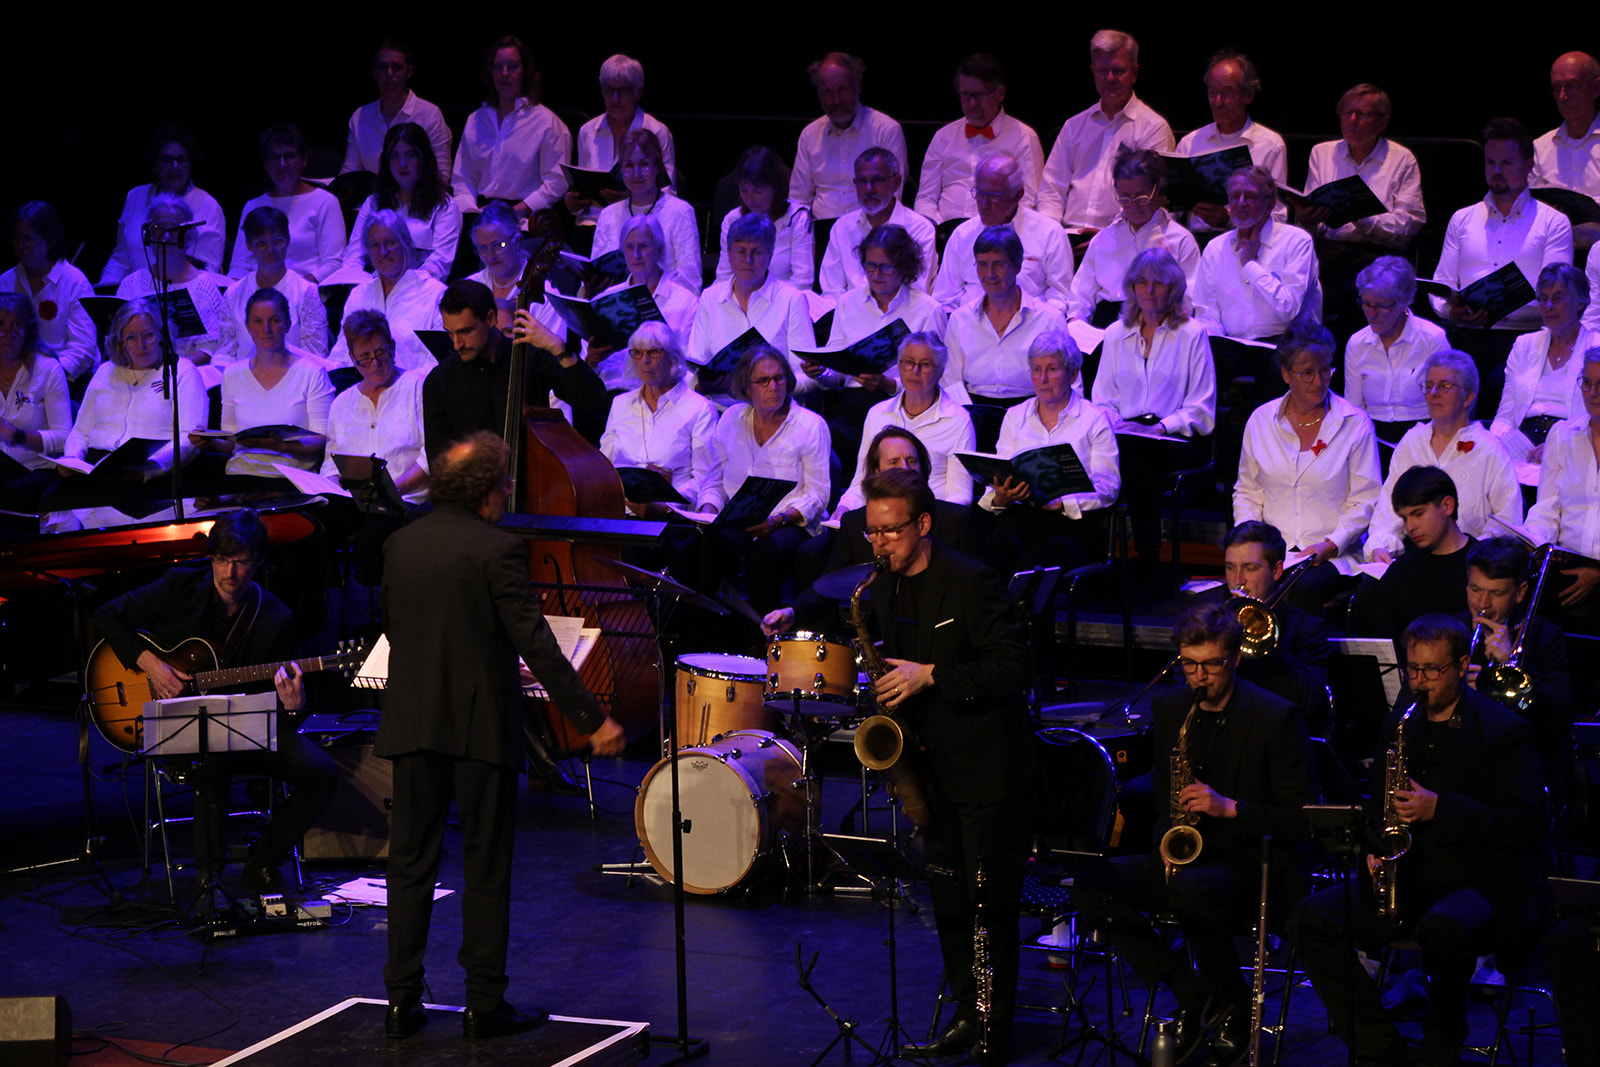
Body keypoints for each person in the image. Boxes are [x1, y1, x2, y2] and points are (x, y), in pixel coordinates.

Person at [378, 431, 625, 1041]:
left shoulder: (400, 544)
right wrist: (593, 720)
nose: (509, 490)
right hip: (479, 728)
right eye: (505, 482)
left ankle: (401, 1002)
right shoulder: (499, 549)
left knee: (409, 865)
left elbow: (407, 631)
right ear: (487, 490)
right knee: (486, 866)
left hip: (412, 721)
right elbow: (536, 645)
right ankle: (483, 1004)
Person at [811, 468, 1033, 1066]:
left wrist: (931, 675)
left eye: (891, 531)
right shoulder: (879, 587)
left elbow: (1013, 670)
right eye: (871, 531)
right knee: (949, 903)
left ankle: (993, 1030)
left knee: (988, 908)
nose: (878, 543)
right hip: (930, 768)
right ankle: (966, 1014)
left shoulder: (972, 581)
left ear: (924, 524)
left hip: (986, 767)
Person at [1290, 613, 1548, 1067]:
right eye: (1413, 669)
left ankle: (1442, 1041)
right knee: (1311, 918)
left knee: (1443, 927)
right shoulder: (1400, 724)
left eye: (1432, 670)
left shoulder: (1504, 731)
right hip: (1409, 875)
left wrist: (1440, 808)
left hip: (1479, 879)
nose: (1419, 681)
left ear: (1462, 666)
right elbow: (1377, 807)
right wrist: (1373, 850)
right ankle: (1377, 1047)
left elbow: (1527, 823)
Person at [1070, 602, 1315, 1066]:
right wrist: (1166, 838)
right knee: (1089, 885)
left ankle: (1233, 1003)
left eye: (1211, 665)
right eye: (1189, 664)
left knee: (1191, 891)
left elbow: (1301, 819)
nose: (1199, 677)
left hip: (1249, 860)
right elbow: (1165, 787)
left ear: (1235, 659)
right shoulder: (1171, 707)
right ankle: (1194, 993)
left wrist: (1229, 807)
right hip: (1186, 855)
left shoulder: (1275, 716)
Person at [91, 510, 338, 902]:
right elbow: (106, 615)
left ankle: (262, 863)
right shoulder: (179, 586)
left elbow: (277, 706)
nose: (230, 573)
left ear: (258, 561)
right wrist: (151, 664)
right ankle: (209, 882)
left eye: (240, 562)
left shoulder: (275, 616)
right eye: (222, 560)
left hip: (247, 728)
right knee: (213, 757)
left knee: (323, 772)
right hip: (178, 726)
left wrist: (294, 707)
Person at [1234, 322, 1381, 611]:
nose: (1319, 381)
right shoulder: (1261, 421)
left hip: (1334, 555)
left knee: (1301, 590)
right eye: (1308, 373)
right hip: (1274, 554)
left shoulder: (1355, 423)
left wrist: (1331, 544)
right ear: (1286, 373)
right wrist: (1252, 542)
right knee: (1240, 588)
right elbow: (1247, 492)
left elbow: (1366, 499)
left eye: (1325, 370)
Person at [1089, 247, 1215, 583]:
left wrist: (1161, 427)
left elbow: (1201, 408)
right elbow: (1102, 400)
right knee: (1108, 448)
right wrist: (1120, 425)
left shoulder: (1192, 333)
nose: (1149, 289)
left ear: (1173, 288)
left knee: (1135, 454)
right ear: (1131, 287)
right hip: (1126, 433)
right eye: (1142, 282)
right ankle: (1094, 557)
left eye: (1158, 282)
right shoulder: (1115, 334)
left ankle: (1147, 559)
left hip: (1177, 437)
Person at [702, 346, 831, 613]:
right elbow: (715, 480)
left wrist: (778, 520)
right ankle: (717, 626)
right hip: (740, 518)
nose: (773, 387)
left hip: (791, 522)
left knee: (763, 554)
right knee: (703, 545)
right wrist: (707, 511)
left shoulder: (810, 425)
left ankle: (766, 631)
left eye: (779, 378)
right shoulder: (731, 419)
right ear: (746, 387)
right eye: (763, 380)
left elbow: (818, 493)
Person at [982, 332, 1120, 573]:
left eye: (1052, 369)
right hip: (1021, 516)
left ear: (1073, 374)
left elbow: (1108, 487)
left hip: (1071, 525)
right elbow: (1002, 470)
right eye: (1036, 370)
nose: (1042, 378)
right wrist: (999, 498)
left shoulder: (1094, 419)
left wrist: (1064, 503)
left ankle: (1023, 600)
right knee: (990, 553)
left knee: (1033, 565)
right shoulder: (1015, 416)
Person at [423, 280, 608, 459]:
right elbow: (440, 462)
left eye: (465, 332)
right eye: (450, 333)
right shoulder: (439, 382)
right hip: (473, 480)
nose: (457, 344)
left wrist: (558, 348)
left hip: (537, 475)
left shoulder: (531, 357)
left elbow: (593, 400)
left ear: (490, 319)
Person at [1367, 350, 1521, 562]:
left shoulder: (1490, 449)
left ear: (1468, 397)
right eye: (1429, 385)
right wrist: (1380, 547)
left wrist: (1473, 555)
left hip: (1469, 561)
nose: (1433, 393)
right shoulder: (1412, 441)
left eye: (1445, 386)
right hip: (1413, 557)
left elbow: (1507, 521)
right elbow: (1388, 510)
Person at [1297, 83, 1426, 326]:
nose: (1353, 121)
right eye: (1347, 113)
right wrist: (1307, 219)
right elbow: (1313, 211)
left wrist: (1361, 216)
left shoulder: (1401, 159)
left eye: (1363, 114)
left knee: (1360, 289)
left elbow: (1408, 225)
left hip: (1376, 253)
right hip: (1327, 249)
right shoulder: (1322, 153)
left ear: (1382, 122)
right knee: (1296, 278)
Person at [1433, 118, 1572, 336]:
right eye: (1490, 162)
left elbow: (1556, 292)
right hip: (1465, 333)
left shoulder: (1553, 222)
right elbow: (1441, 283)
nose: (1496, 170)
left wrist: (1502, 308)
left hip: (1528, 336)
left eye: (1506, 163)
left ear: (1529, 165)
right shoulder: (1461, 219)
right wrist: (1451, 312)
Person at [55, 299, 206, 496]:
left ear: (162, 334)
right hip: (96, 467)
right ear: (121, 342)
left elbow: (189, 437)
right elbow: (80, 431)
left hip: (150, 470)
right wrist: (73, 459)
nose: (141, 345)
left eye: (148, 335)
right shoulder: (105, 371)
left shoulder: (183, 372)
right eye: (131, 338)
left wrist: (149, 470)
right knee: (53, 498)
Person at [943, 225, 1070, 449]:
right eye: (982, 265)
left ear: (1017, 265)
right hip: (974, 417)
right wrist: (967, 419)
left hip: (1034, 418)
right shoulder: (960, 319)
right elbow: (951, 380)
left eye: (999, 264)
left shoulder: (1049, 319)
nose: (990, 274)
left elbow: (1068, 382)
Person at [1037, 29, 1175, 233]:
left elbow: (1152, 201)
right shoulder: (1074, 126)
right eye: (1102, 70)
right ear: (1093, 71)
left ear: (1134, 73)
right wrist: (1052, 234)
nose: (1110, 78)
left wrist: (1106, 238)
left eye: (1118, 70)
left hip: (1125, 238)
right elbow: (1051, 191)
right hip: (1068, 235)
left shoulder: (1153, 128)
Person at [1461, 536, 1573, 785]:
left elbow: (1559, 716)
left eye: (1496, 593)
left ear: (1520, 592)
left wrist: (1514, 665)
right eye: (1475, 589)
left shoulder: (1545, 636)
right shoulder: (1450, 630)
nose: (1482, 604)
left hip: (1518, 766)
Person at [194, 289, 333, 484]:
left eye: (274, 320)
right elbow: (233, 444)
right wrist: (210, 441)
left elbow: (323, 439)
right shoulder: (233, 375)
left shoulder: (312, 372)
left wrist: (283, 447)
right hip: (241, 477)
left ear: (287, 324)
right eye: (257, 321)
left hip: (292, 480)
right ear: (248, 327)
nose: (266, 329)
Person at [832, 334, 974, 515]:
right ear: (899, 366)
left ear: (940, 371)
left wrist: (928, 519)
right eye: (909, 362)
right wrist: (844, 508)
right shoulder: (877, 414)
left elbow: (960, 495)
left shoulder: (958, 420)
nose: (915, 370)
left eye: (925, 365)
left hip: (931, 516)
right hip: (882, 516)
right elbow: (862, 480)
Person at [1065, 149, 1199, 327]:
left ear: (1156, 190)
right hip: (1106, 323)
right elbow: (1081, 295)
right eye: (1125, 198)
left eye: (1141, 197)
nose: (1134, 205)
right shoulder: (1104, 239)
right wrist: (1076, 322)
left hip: (1158, 322)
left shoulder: (1180, 240)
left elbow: (1189, 299)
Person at [1221, 521, 1332, 736]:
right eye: (1230, 567)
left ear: (1277, 570)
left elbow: (1310, 703)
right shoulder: (1212, 620)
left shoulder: (1307, 628)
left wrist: (1268, 637)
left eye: (1250, 568)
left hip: (1278, 736)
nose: (1237, 580)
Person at [599, 320, 718, 518]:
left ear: (673, 358)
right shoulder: (620, 404)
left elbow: (705, 478)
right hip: (621, 512)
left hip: (670, 516)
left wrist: (666, 505)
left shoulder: (699, 409)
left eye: (654, 352)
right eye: (637, 353)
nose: (645, 360)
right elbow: (604, 465)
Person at [687, 213, 816, 392]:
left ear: (770, 256)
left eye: (757, 252)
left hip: (774, 403)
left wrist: (769, 387)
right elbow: (695, 363)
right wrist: (703, 385)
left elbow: (806, 376)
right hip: (721, 404)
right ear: (729, 254)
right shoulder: (710, 298)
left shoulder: (791, 299)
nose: (748, 260)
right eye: (741, 252)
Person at [113, 193, 235, 382]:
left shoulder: (204, 287)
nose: (166, 236)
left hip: (187, 377)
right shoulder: (131, 285)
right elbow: (117, 339)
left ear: (187, 235)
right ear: (148, 234)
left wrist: (170, 370)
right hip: (136, 376)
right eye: (159, 229)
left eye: (175, 229)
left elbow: (212, 347)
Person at [933, 154, 1075, 315]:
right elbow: (945, 298)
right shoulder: (962, 235)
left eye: (993, 196)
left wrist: (1037, 322)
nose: (984, 204)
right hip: (971, 324)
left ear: (1018, 194)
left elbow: (1060, 295)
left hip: (1031, 323)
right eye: (979, 193)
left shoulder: (1050, 233)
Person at [1191, 165, 1319, 342]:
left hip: (1287, 345)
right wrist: (1218, 344)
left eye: (1250, 196)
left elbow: (1289, 310)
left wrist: (1250, 265)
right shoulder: (1215, 248)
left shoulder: (1297, 241)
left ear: (1270, 205)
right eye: (1235, 196)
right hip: (1231, 345)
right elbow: (1206, 314)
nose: (1241, 202)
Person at [451, 36, 572, 219]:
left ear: (525, 72)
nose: (505, 73)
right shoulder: (476, 120)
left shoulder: (547, 122)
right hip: (479, 214)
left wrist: (515, 211)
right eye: (498, 67)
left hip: (524, 217)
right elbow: (463, 178)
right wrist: (471, 211)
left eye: (513, 66)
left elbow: (556, 182)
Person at [915, 53, 1045, 223]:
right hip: (944, 230)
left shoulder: (1024, 137)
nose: (972, 103)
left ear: (1000, 93)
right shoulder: (943, 137)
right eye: (965, 95)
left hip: (997, 231)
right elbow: (925, 198)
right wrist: (937, 227)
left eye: (979, 95)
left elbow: (1027, 202)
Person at [1173, 50, 1288, 235]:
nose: (1218, 102)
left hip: (1248, 240)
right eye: (1213, 93)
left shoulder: (1269, 144)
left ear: (1248, 95)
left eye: (1227, 93)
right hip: (1196, 240)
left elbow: (1278, 216)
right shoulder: (1190, 142)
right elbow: (1175, 211)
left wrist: (1230, 219)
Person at [1525, 348, 1600, 632]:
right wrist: (1536, 543)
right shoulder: (1562, 435)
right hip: (1565, 564)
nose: (1593, 393)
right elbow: (1547, 508)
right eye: (1587, 383)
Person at [1490, 262, 1595, 460]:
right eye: (1544, 298)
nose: (1548, 306)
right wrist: (1493, 443)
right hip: (1523, 440)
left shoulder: (1596, 347)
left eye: (1558, 298)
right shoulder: (1524, 345)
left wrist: (1560, 445)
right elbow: (1506, 413)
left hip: (1575, 441)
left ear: (1580, 302)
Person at [99, 123, 227, 285]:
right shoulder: (135, 197)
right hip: (136, 292)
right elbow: (121, 257)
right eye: (167, 160)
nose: (175, 166)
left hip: (184, 291)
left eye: (181, 160)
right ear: (155, 165)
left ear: (190, 164)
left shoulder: (208, 205)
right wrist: (104, 290)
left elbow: (208, 268)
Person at [583, 214, 700, 390]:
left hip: (660, 393)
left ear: (659, 249)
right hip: (608, 392)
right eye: (629, 247)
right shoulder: (606, 299)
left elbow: (688, 367)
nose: (636, 255)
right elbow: (585, 365)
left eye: (643, 246)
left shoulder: (685, 302)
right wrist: (591, 360)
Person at [323, 310, 429, 503]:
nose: (375, 363)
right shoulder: (342, 403)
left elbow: (429, 457)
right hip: (357, 505)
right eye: (365, 356)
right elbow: (331, 465)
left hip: (408, 502)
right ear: (353, 358)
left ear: (392, 348)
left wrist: (389, 493)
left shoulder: (418, 388)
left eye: (381, 352)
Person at [789, 52, 908, 224]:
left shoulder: (886, 130)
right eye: (828, 92)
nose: (836, 100)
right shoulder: (809, 134)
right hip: (820, 231)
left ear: (858, 88)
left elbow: (892, 198)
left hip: (870, 230)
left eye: (843, 90)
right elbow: (798, 200)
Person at [1363, 466, 1475, 647]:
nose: (1410, 527)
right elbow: (1384, 641)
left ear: (1447, 506)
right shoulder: (1400, 571)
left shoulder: (1482, 564)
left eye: (1418, 514)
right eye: (1405, 518)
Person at [1343, 256, 1448, 447]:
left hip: (1425, 437)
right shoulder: (1357, 343)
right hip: (1373, 438)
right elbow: (1354, 410)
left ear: (1404, 302)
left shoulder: (1432, 339)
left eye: (1382, 305)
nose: (1372, 313)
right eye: (1366, 304)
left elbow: (1447, 404)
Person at [341, 123, 463, 284]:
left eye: (410, 155)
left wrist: (399, 288)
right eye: (395, 156)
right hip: (373, 286)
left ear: (423, 159)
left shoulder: (445, 207)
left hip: (420, 290)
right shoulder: (373, 203)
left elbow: (439, 264)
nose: (403, 164)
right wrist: (361, 283)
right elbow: (354, 254)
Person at [327, 209, 446, 371]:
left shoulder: (435, 294)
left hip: (416, 384)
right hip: (361, 384)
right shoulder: (359, 295)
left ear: (406, 243)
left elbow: (440, 361)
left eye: (390, 243)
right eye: (375, 246)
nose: (383, 252)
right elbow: (342, 354)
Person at [228, 124, 346, 282]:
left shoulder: (325, 202)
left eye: (289, 156)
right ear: (265, 164)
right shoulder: (253, 206)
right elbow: (239, 266)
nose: (282, 164)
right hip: (258, 292)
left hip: (307, 290)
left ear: (304, 160)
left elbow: (334, 264)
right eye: (274, 158)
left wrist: (294, 287)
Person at [590, 129, 701, 295]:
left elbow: (690, 280)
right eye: (629, 165)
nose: (636, 174)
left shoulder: (680, 212)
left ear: (657, 167)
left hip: (666, 303)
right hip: (617, 302)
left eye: (644, 165)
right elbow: (595, 272)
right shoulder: (608, 215)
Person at [818, 148, 937, 296]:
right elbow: (831, 292)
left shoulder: (920, 229)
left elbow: (915, 292)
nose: (868, 189)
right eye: (862, 181)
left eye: (877, 181)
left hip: (901, 310)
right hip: (847, 310)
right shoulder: (842, 227)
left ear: (896, 183)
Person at [2, 201, 99, 382]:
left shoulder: (74, 282)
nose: (20, 245)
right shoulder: (6, 282)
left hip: (67, 379)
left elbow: (83, 347)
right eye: (16, 238)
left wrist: (49, 378)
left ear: (49, 241)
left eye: (28, 239)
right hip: (17, 379)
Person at [224, 207, 331, 363]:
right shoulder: (233, 293)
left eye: (277, 241)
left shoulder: (306, 291)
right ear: (249, 246)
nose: (270, 250)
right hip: (243, 375)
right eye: (261, 244)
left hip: (295, 375)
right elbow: (225, 353)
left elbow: (315, 356)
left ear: (287, 240)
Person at [340, 39, 452, 184]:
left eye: (397, 67)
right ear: (374, 72)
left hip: (419, 196)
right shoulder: (360, 116)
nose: (390, 73)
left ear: (408, 72)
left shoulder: (430, 114)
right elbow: (350, 172)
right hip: (372, 196)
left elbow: (441, 175)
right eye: (383, 67)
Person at [572, 54, 677, 207]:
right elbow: (584, 189)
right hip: (594, 220)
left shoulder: (657, 132)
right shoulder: (588, 132)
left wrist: (629, 201)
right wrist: (577, 204)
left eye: (623, 91)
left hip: (641, 218)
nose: (615, 98)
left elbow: (669, 193)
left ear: (638, 92)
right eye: (609, 90)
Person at [0, 293, 71, 512]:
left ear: (28, 329)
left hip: (37, 468)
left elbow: (64, 437)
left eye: (16, 325)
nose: (8, 334)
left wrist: (15, 435)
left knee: (13, 491)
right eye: (1, 325)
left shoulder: (48, 369)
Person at [714, 146, 814, 290]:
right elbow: (723, 277)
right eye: (744, 191)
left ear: (775, 189)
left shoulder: (798, 218)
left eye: (757, 192)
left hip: (784, 299)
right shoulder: (733, 219)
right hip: (742, 298)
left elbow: (802, 282)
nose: (750, 199)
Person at [1532, 52, 1600, 198]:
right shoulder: (1540, 149)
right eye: (1557, 87)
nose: (1562, 96)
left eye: (1572, 86)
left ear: (1596, 88)